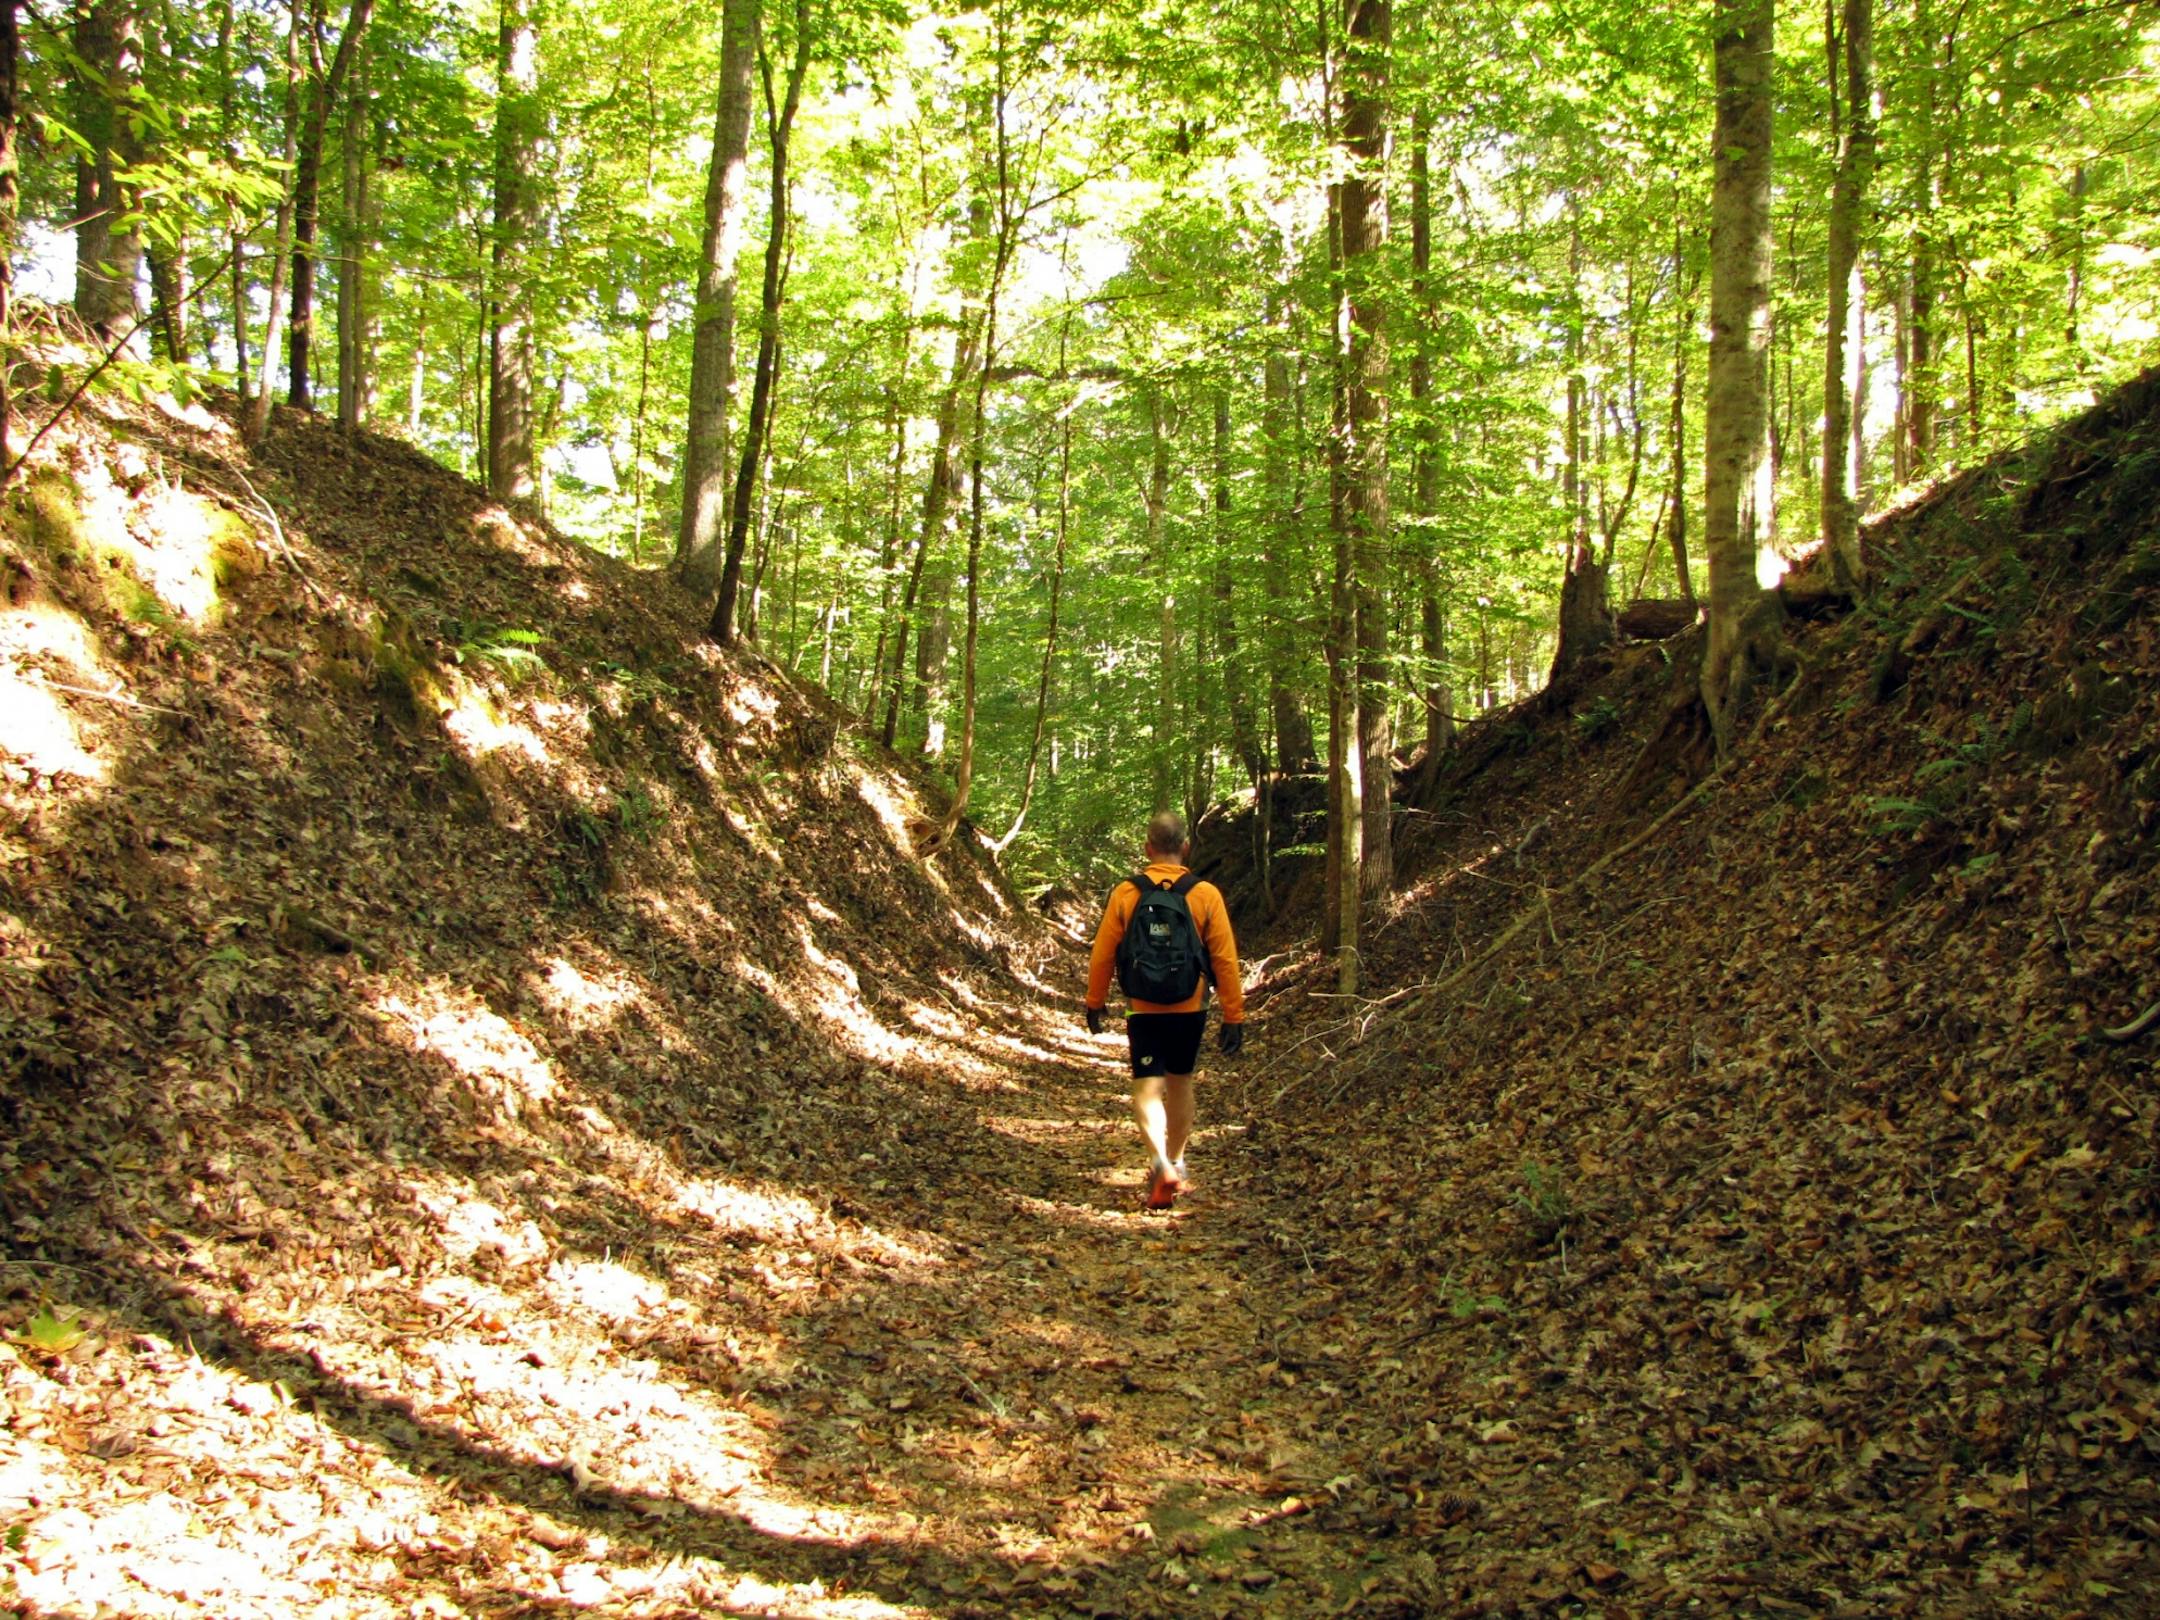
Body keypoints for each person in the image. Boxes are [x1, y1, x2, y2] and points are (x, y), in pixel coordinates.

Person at [1084, 811, 1245, 1210]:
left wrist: (1095, 1002)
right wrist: (1233, 1015)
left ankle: (1158, 1163)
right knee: (1181, 1082)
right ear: (1186, 847)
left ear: (1147, 848)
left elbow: (1103, 953)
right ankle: (1176, 1161)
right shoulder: (1205, 894)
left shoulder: (1126, 893)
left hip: (1142, 1005)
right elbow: (1224, 959)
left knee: (1146, 1084)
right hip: (1190, 1005)